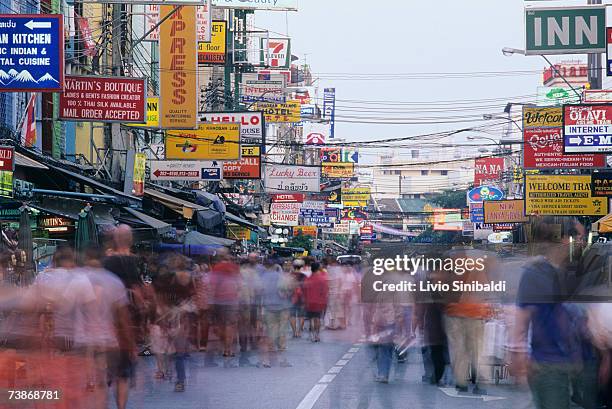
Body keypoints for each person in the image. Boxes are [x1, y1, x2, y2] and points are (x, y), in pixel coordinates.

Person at [510, 217, 583, 409]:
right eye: (574, 237)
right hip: (548, 362)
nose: (577, 242)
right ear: (562, 239)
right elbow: (522, 318)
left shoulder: (567, 270)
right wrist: (518, 353)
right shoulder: (536, 273)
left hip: (568, 361)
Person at [77, 245, 135, 409]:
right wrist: (130, 343)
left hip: (82, 341)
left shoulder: (77, 279)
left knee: (97, 384)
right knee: (117, 378)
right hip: (108, 340)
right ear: (102, 259)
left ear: (85, 258)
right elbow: (123, 317)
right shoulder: (114, 281)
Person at [442, 248, 493, 394]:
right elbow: (485, 290)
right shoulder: (478, 266)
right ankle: (480, 381)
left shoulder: (450, 267)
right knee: (477, 349)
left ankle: (461, 382)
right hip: (475, 313)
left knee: (459, 349)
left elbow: (443, 289)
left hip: (455, 313)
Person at [151, 254, 197, 392]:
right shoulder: (166, 281)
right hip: (172, 318)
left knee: (177, 352)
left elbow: (192, 300)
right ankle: (177, 378)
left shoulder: (179, 280)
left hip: (177, 318)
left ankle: (179, 379)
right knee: (176, 351)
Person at [258, 258, 292, 368]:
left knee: (270, 332)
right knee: (282, 333)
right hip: (282, 308)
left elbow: (259, 293)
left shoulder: (262, 278)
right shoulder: (280, 276)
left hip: (268, 308)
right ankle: (282, 359)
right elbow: (286, 292)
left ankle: (267, 360)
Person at [210, 248, 242, 359]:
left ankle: (224, 347)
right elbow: (240, 284)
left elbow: (212, 285)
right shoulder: (234, 268)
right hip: (231, 300)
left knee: (220, 325)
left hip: (218, 300)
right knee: (230, 325)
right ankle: (228, 349)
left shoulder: (215, 268)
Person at [238, 253, 263, 365]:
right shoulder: (253, 273)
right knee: (251, 323)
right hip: (250, 302)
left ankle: (243, 346)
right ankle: (252, 343)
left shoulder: (237, 273)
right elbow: (259, 288)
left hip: (238, 303)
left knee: (242, 326)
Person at [303, 262, 328, 342]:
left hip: (309, 301)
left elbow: (304, 290)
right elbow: (325, 290)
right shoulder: (322, 278)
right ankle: (317, 335)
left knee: (310, 319)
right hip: (319, 301)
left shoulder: (308, 278)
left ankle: (312, 335)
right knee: (317, 318)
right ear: (317, 269)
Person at [289, 259, 306, 338]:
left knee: (292, 315)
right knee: (301, 315)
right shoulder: (303, 276)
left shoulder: (290, 275)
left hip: (291, 297)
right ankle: (299, 331)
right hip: (302, 297)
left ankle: (294, 331)